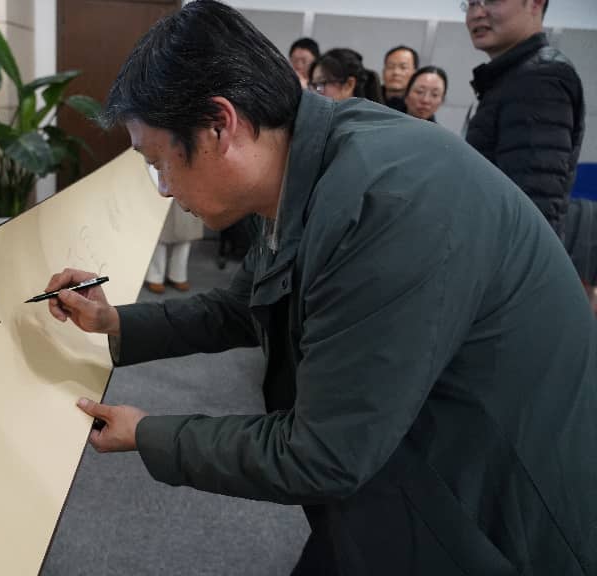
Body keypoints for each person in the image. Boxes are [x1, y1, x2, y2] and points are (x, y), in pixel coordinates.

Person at [44, 1, 597, 574]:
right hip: (399, 452)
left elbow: (322, 454)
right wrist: (113, 321)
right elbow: (241, 308)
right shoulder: (306, 160)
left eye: (159, 161)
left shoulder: (386, 204)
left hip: (490, 510)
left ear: (219, 125)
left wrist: (148, 433)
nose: (162, 188)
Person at [465, 0, 585, 238]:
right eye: (471, 3)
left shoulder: (539, 77)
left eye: (491, 0)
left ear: (535, 4)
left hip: (504, 255)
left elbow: (533, 204)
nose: (477, 13)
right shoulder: (512, 77)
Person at [144, 198, 204, 293]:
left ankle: (178, 276)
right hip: (162, 192)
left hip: (189, 193)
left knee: (186, 233)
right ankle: (155, 277)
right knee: (159, 233)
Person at [308, 48, 383, 103]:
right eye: (313, 86)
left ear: (349, 85)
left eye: (320, 85)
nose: (314, 94)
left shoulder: (366, 119)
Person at [381, 45, 419, 112]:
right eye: (390, 66)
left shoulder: (419, 106)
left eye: (403, 67)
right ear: (383, 71)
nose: (396, 72)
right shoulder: (368, 97)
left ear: (415, 73)